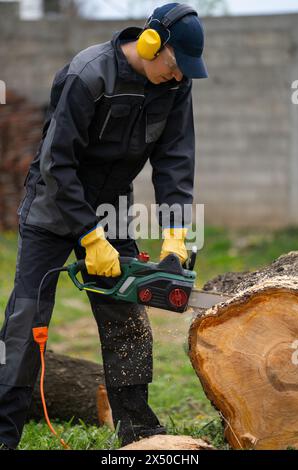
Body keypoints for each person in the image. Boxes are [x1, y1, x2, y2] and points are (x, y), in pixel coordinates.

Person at [0, 2, 208, 449]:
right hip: (54, 204)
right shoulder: (88, 74)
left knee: (124, 313)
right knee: (26, 318)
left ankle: (137, 429)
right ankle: (3, 434)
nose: (178, 77)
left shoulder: (176, 85)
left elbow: (175, 161)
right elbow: (58, 163)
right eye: (174, 67)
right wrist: (89, 237)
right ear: (152, 44)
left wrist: (175, 233)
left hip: (111, 205)